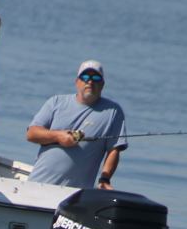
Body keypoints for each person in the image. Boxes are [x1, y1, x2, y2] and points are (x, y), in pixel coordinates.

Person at [26, 60, 127, 190]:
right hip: (38, 184)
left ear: (102, 84)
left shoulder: (113, 111)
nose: (90, 81)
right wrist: (58, 136)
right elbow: (31, 134)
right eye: (85, 77)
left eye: (95, 78)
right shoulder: (56, 102)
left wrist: (104, 179)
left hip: (76, 194)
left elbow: (114, 149)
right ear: (77, 82)